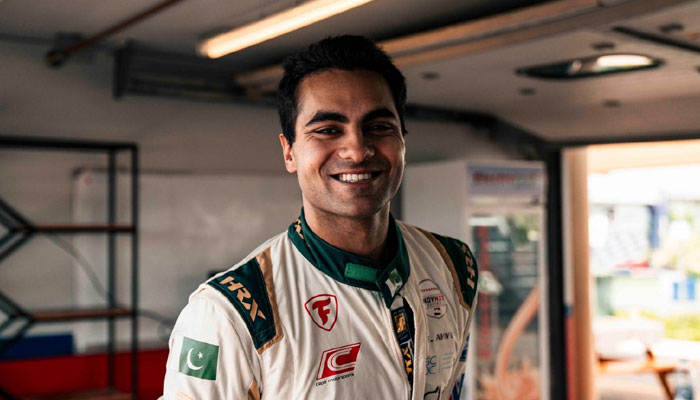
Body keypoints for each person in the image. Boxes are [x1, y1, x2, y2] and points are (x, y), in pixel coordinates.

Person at [161, 35, 478, 400]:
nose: (357, 150)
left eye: (378, 126)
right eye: (328, 130)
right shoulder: (228, 314)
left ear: (403, 140)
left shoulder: (453, 266)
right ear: (289, 152)